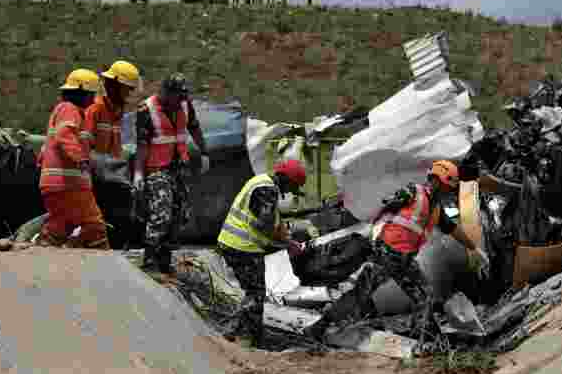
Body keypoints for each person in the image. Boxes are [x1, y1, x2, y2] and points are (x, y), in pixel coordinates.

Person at [307, 161, 491, 346]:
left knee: (422, 297)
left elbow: (452, 229)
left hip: (403, 258)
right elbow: (385, 206)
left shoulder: (436, 210)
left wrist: (474, 248)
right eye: (443, 186)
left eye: (448, 189)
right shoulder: (413, 192)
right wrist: (386, 209)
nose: (445, 191)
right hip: (387, 252)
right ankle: (429, 339)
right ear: (434, 180)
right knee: (397, 295)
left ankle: (429, 339)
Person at [217, 159, 308, 346]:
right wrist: (287, 243)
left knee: (253, 292)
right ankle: (239, 334)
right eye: (292, 186)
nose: (290, 192)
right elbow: (263, 225)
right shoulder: (268, 190)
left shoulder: (260, 183)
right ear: (284, 179)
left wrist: (283, 234)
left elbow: (269, 220)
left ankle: (248, 335)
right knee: (256, 294)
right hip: (243, 247)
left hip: (233, 243)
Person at [133, 73, 210, 273]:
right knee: (161, 214)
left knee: (179, 215)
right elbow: (142, 145)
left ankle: (164, 260)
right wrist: (138, 174)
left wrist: (205, 152)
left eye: (183, 96)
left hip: (179, 168)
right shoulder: (146, 110)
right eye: (178, 96)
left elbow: (194, 128)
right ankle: (149, 258)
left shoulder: (185, 104)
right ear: (166, 93)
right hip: (156, 170)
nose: (181, 100)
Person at [37, 69, 110, 249]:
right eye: (91, 94)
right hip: (69, 184)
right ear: (81, 93)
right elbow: (65, 135)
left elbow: (48, 147)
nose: (93, 99)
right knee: (93, 225)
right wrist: (81, 160)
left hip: (55, 184)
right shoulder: (69, 109)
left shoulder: (63, 111)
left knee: (61, 224)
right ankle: (105, 266)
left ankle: (42, 253)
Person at [87, 60, 140, 159]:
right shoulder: (96, 108)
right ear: (115, 86)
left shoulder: (117, 113)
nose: (130, 93)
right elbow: (84, 145)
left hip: (110, 171)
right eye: (129, 88)